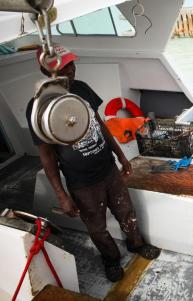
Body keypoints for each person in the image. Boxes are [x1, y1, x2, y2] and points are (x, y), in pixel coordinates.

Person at [26, 45, 160, 282]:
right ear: (45, 69)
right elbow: (46, 156)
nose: (70, 69)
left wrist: (120, 156)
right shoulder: (38, 107)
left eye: (71, 63)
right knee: (96, 226)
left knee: (126, 212)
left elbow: (99, 124)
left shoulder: (82, 89)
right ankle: (110, 259)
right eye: (62, 66)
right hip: (82, 182)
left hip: (108, 169)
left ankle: (136, 244)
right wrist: (62, 195)